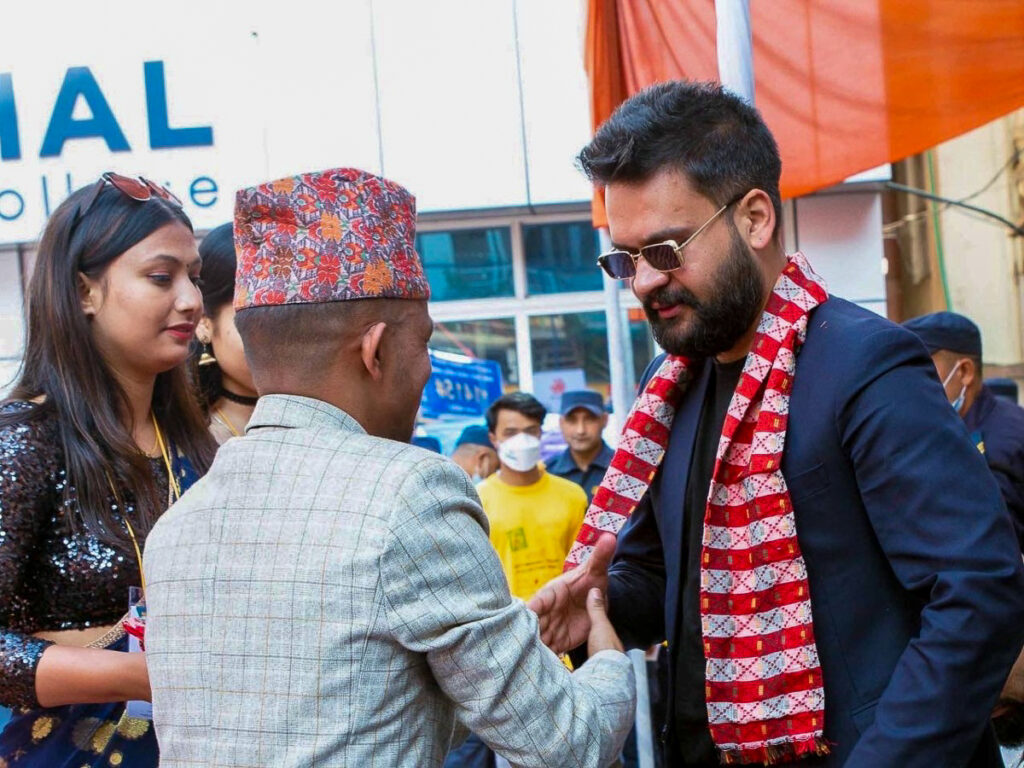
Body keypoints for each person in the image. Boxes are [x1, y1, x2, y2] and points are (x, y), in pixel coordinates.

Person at [529, 81, 1024, 767]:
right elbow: (656, 574)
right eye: (625, 258)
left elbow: (977, 593)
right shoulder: (669, 386)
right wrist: (594, 598)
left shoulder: (864, 364)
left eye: (666, 250)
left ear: (756, 218)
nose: (642, 282)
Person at [142, 167, 635, 768]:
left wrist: (511, 643)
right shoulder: (410, 492)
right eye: (423, 343)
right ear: (375, 351)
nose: (427, 369)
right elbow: (566, 744)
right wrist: (609, 659)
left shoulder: (177, 527)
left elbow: (355, 711)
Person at [0, 172, 216, 766]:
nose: (191, 299)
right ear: (83, 292)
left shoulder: (193, 445)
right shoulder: (25, 441)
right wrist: (133, 674)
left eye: (194, 277)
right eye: (160, 277)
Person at [903, 311, 1024, 549]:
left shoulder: (1001, 444)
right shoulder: (947, 429)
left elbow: (992, 545)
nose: (910, 383)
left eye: (922, 369)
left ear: (964, 372)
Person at [479, 392, 589, 601]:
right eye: (510, 433)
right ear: (494, 438)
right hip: (506, 621)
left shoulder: (572, 496)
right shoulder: (478, 500)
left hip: (564, 616)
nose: (522, 440)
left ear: (540, 433)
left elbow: (583, 566)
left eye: (530, 431)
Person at [195, 222, 259, 444]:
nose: (278, 338)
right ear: (204, 324)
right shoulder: (186, 438)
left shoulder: (326, 430)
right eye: (254, 320)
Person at [547, 389, 614, 504]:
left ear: (605, 420)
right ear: (561, 423)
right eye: (572, 420)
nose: (580, 430)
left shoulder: (623, 470)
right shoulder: (548, 473)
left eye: (589, 419)